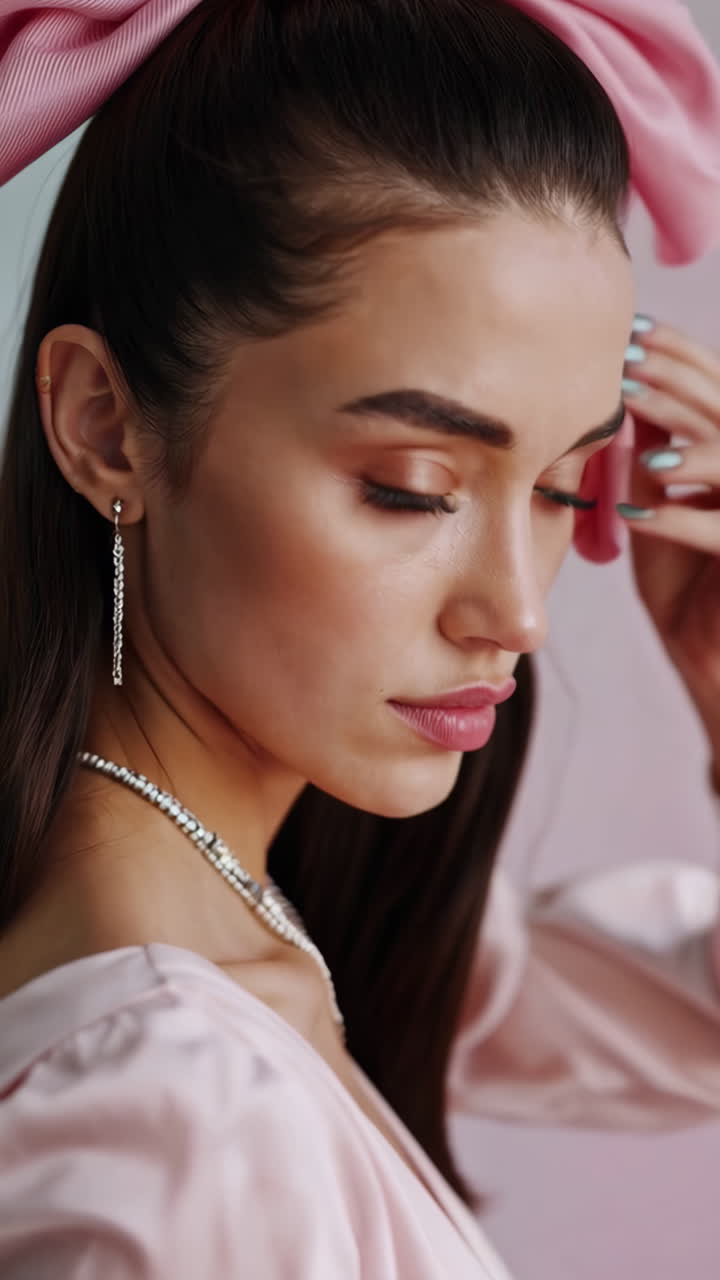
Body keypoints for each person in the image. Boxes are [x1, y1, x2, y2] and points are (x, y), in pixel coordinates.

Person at [0, 1, 719, 1276]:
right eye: (413, 486)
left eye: (562, 488)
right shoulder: (182, 1107)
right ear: (105, 424)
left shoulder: (267, 916)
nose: (519, 610)